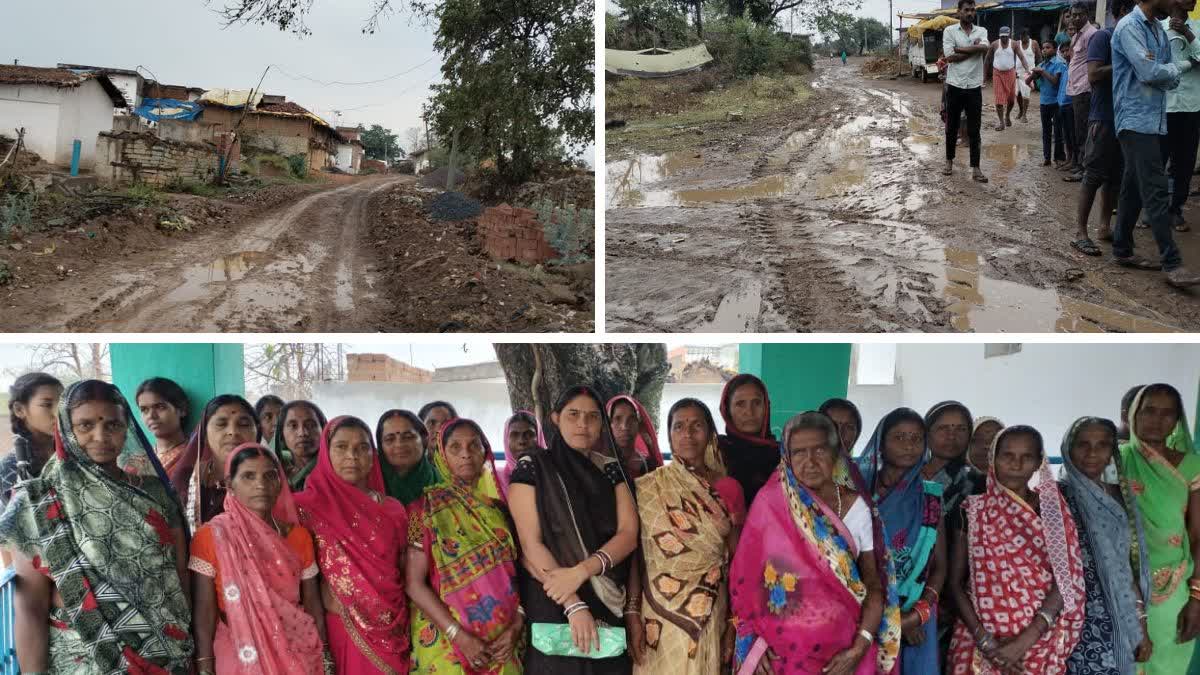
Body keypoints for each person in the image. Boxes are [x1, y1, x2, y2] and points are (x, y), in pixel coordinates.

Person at [0, 380, 193, 674]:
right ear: (65, 429)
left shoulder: (155, 494)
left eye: (113, 425)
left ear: (127, 428)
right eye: (85, 425)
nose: (101, 436)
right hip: (86, 657)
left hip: (166, 652)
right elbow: (30, 607)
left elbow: (180, 578)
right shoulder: (35, 502)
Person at [730, 411, 902, 674]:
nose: (809, 461)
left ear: (836, 454)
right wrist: (751, 639)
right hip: (782, 655)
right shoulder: (770, 503)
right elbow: (746, 578)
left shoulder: (858, 508)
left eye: (819, 450)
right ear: (787, 457)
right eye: (799, 452)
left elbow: (874, 586)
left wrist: (860, 646)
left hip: (842, 654)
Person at [507, 386, 639, 673]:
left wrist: (581, 572)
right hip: (553, 597)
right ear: (555, 418)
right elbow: (531, 545)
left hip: (605, 595)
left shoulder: (611, 469)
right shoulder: (533, 467)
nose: (583, 424)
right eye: (573, 414)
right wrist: (573, 605)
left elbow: (628, 535)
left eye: (592, 417)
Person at [947, 425, 1086, 673]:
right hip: (979, 638)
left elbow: (1065, 578)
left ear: (1038, 463)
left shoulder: (1051, 508)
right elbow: (955, 584)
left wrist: (1025, 641)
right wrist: (987, 644)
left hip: (1040, 639)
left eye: (1026, 457)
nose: (1016, 463)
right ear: (993, 458)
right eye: (1007, 455)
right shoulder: (971, 509)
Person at [189, 443, 329, 675]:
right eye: (248, 476)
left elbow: (313, 602)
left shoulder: (299, 537)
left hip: (297, 648)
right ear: (229, 486)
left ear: (279, 484)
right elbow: (204, 612)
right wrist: (205, 664)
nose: (260, 484)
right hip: (238, 650)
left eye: (269, 476)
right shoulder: (212, 535)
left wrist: (325, 655)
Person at [629, 398, 745, 673]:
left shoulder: (729, 488)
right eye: (679, 426)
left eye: (697, 426)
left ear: (710, 433)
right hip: (657, 608)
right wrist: (632, 611)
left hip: (709, 602)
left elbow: (740, 559)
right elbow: (639, 553)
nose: (688, 434)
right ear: (668, 435)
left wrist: (734, 623)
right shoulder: (650, 486)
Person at [405, 418, 524, 674]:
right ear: (442, 455)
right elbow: (414, 584)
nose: (466, 454)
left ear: (485, 451)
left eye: (474, 445)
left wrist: (517, 624)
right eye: (455, 447)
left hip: (505, 642)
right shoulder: (422, 509)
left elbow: (521, 573)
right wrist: (458, 635)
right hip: (448, 643)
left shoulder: (500, 510)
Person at [296, 416, 412, 674]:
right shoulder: (305, 508)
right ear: (326, 453)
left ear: (373, 454)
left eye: (362, 447)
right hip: (339, 621)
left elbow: (403, 569)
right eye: (341, 447)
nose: (353, 455)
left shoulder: (393, 509)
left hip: (394, 623)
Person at [1111, 0, 1200, 286]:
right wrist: (1172, 69)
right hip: (1134, 119)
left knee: (1133, 186)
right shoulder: (1129, 27)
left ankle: (1122, 249)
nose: (1178, 2)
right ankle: (1172, 263)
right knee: (1156, 187)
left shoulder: (1158, 31)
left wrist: (1165, 71)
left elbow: (1163, 73)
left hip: (1153, 118)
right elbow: (1150, 73)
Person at [1058, 417, 1153, 675]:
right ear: (1068, 448)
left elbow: (1126, 566)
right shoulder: (1054, 497)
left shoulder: (1121, 496)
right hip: (1072, 622)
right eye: (1083, 444)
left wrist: (1141, 625)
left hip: (1121, 618)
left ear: (1112, 451)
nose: (1092, 453)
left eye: (1102, 445)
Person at [857, 408, 947, 673]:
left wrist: (917, 614)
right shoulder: (859, 495)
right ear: (881, 445)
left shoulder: (931, 497)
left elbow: (940, 565)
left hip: (917, 615)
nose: (909, 445)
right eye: (899, 437)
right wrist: (889, 621)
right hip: (866, 614)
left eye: (916, 438)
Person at [1119, 383, 1200, 674]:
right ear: (1133, 415)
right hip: (1121, 588)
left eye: (1168, 413)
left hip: (1174, 590)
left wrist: (1197, 599)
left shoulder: (1193, 467)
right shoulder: (1115, 460)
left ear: (1178, 421)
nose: (1157, 419)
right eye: (1149, 410)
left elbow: (1199, 536)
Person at [1074, 0, 1135, 256]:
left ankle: (1104, 227)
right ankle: (1080, 232)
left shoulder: (1132, 40)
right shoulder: (1103, 37)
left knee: (1115, 177)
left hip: (1126, 118)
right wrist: (1130, 62)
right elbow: (1094, 74)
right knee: (1093, 175)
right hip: (1103, 117)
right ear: (1122, 12)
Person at [170, 394, 261, 530]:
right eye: (221, 424)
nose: (232, 432)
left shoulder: (270, 477)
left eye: (243, 424)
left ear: (257, 433)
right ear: (204, 435)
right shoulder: (188, 479)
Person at [942, 0, 990, 182]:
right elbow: (950, 57)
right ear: (959, 12)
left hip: (974, 87)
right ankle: (949, 161)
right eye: (966, 10)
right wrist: (974, 49)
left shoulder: (982, 31)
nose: (970, 13)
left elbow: (984, 48)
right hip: (955, 85)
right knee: (951, 127)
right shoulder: (949, 31)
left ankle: (976, 168)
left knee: (974, 129)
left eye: (972, 10)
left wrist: (961, 48)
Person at [1163, 0, 1200, 230]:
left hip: (1191, 106)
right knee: (1157, 160)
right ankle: (1153, 208)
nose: (1194, 0)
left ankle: (1176, 208)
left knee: (1184, 163)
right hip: (1164, 104)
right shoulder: (1158, 26)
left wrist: (1187, 33)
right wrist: (1191, 62)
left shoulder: (1197, 27)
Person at [0, 373, 63, 508]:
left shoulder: (73, 452)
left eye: (62, 404)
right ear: (19, 410)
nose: (58, 413)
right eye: (47, 404)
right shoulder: (10, 466)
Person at [718, 374, 779, 506]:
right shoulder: (716, 452)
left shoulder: (784, 455)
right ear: (727, 410)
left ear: (766, 407)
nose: (749, 412)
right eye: (740, 404)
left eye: (756, 403)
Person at [920, 401, 977, 518]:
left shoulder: (977, 481)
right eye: (942, 428)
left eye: (961, 429)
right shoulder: (908, 478)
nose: (951, 436)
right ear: (927, 434)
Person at [376, 409, 439, 506]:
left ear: (424, 440)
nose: (399, 444)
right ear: (380, 446)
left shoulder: (445, 484)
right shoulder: (369, 485)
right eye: (390, 439)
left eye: (408, 437)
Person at [1067, 2, 1100, 182]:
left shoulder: (1091, 34)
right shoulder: (1077, 36)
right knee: (1078, 129)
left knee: (1084, 131)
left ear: (1087, 14)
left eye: (1080, 15)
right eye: (1074, 15)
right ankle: (1079, 164)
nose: (1076, 18)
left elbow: (1093, 63)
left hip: (1084, 89)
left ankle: (1084, 168)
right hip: (1076, 89)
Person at [136, 377, 190, 474]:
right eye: (144, 410)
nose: (151, 416)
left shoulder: (193, 456)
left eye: (160, 407)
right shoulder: (141, 460)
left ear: (182, 410)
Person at [607, 394, 665, 480]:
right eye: (617, 419)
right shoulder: (599, 464)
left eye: (632, 419)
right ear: (608, 425)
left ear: (639, 425)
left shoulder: (648, 465)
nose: (625, 426)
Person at [1031, 40, 1069, 166]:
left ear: (1054, 49)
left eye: (1048, 47)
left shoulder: (1059, 64)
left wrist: (1042, 72)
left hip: (1057, 102)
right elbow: (1028, 82)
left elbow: (1055, 82)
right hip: (1044, 102)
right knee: (1046, 131)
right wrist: (1033, 75)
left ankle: (1059, 158)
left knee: (1058, 131)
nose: (1044, 50)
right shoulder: (1042, 64)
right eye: (1043, 48)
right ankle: (1046, 158)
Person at [274, 400, 327, 490]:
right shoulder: (273, 471)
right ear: (281, 434)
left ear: (324, 429)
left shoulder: (337, 470)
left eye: (310, 425)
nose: (302, 433)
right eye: (293, 426)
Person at [985, 26, 1030, 131]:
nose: (1003, 39)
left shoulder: (1014, 44)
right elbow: (987, 60)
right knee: (999, 100)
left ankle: (1007, 115)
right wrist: (984, 76)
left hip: (1010, 73)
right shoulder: (994, 44)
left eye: (1005, 36)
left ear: (1009, 35)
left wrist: (1027, 69)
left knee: (1011, 101)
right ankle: (1001, 122)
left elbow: (1022, 57)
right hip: (997, 74)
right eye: (1002, 37)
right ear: (999, 36)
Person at [497, 410, 539, 500]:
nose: (521, 441)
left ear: (539, 438)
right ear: (506, 440)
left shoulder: (554, 474)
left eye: (529, 434)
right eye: (514, 435)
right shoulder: (496, 480)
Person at [1058, 41, 1081, 173]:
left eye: (1068, 50)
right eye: (1063, 51)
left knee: (1074, 134)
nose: (1066, 53)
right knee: (1066, 134)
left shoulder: (1076, 66)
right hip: (1062, 103)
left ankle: (1075, 161)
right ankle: (1069, 159)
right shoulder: (1064, 67)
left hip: (1071, 103)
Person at [1016, 28, 1039, 121]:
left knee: (1026, 94)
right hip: (1017, 72)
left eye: (1024, 37)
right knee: (1017, 94)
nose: (1022, 39)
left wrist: (1037, 71)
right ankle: (1021, 110)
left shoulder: (1034, 43)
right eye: (1021, 37)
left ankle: (1024, 114)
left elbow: (1039, 57)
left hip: (1028, 73)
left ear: (1028, 36)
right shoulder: (1017, 43)